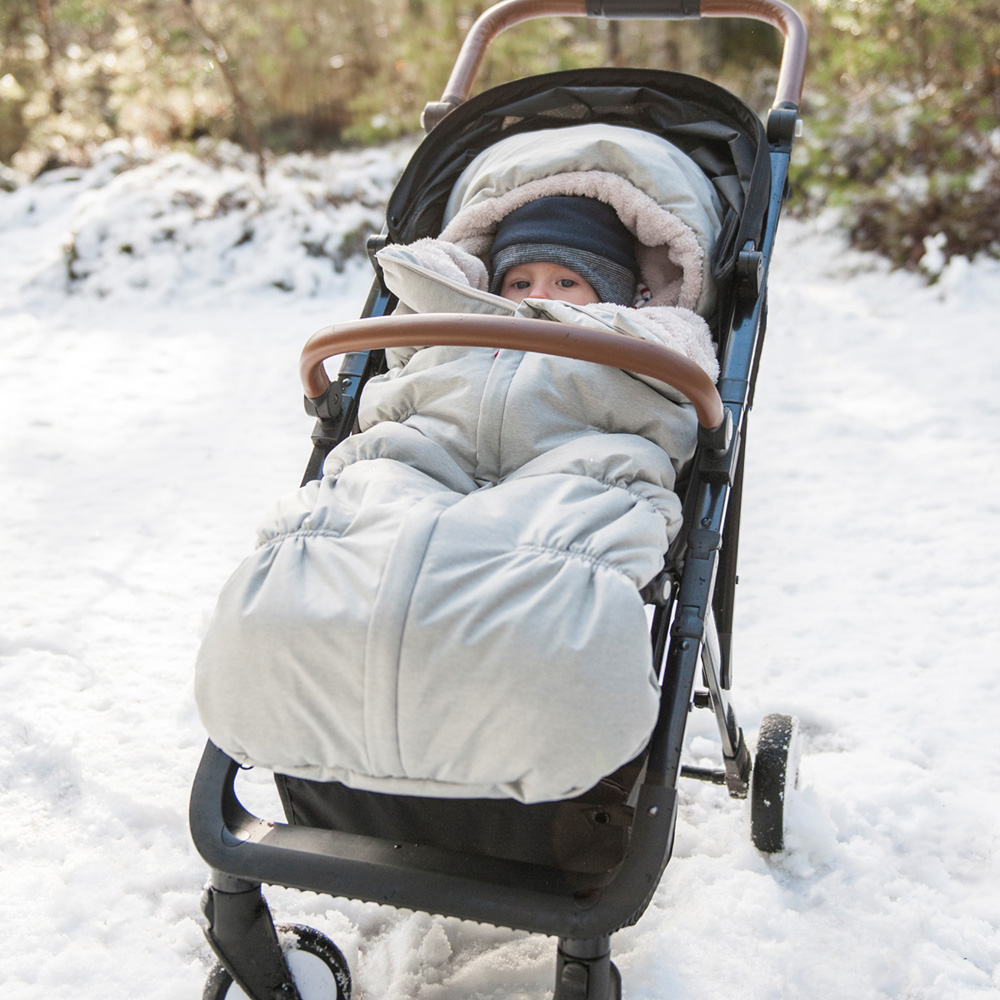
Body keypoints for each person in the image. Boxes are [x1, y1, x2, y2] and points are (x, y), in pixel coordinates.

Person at [195, 124, 726, 805]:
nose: (544, 294)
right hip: (421, 454)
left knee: (545, 571)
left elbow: (678, 408)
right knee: (355, 526)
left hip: (575, 469)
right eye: (521, 278)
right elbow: (399, 397)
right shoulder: (442, 322)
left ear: (624, 295)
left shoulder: (653, 342)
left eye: (571, 281)